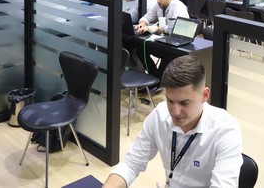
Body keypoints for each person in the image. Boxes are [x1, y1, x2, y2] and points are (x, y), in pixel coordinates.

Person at [103, 55, 243, 188]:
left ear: (204, 95)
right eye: (170, 101)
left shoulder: (225, 130)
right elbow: (131, 164)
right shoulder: (159, 116)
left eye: (184, 103)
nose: (175, 112)